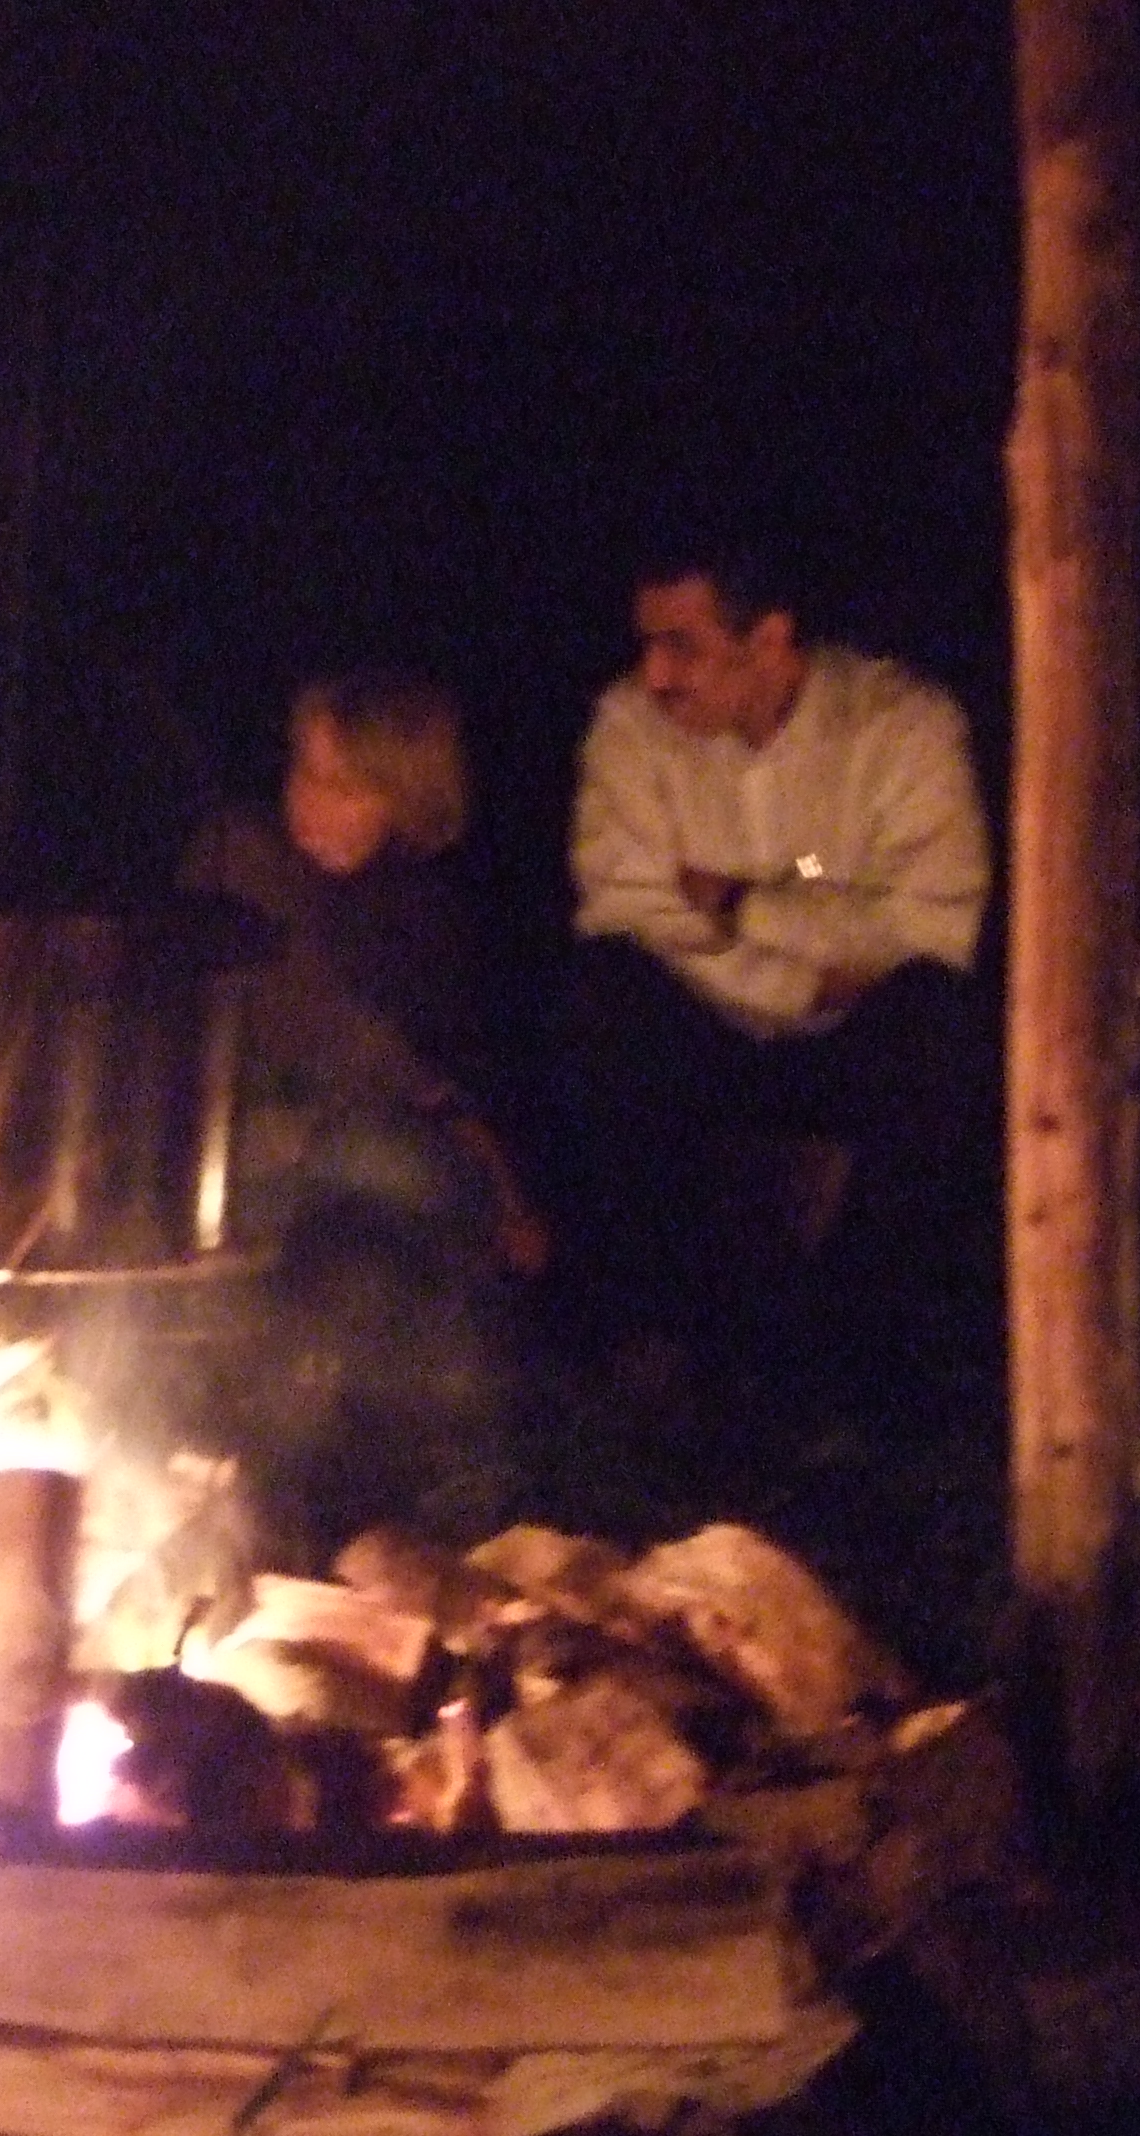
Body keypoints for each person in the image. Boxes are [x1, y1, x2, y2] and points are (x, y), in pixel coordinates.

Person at [554, 536, 993, 1403]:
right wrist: (803, 974)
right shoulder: (630, 729)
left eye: (682, 646)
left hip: (853, 1033)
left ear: (769, 640)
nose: (655, 675)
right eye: (646, 644)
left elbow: (930, 924)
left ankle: (855, 1352)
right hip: (708, 1021)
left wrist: (747, 906)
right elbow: (628, 906)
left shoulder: (899, 727)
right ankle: (667, 1330)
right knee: (602, 997)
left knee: (941, 1025)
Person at [182, 672, 541, 1552]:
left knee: (404, 1213)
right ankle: (283, 1494)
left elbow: (451, 1065)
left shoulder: (426, 912)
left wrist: (497, 1174)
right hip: (239, 1137)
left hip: (364, 1146)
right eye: (304, 772)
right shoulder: (245, 859)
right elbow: (300, 1029)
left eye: (345, 786)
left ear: (405, 798)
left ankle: (449, 1484)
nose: (311, 803)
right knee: (404, 1176)